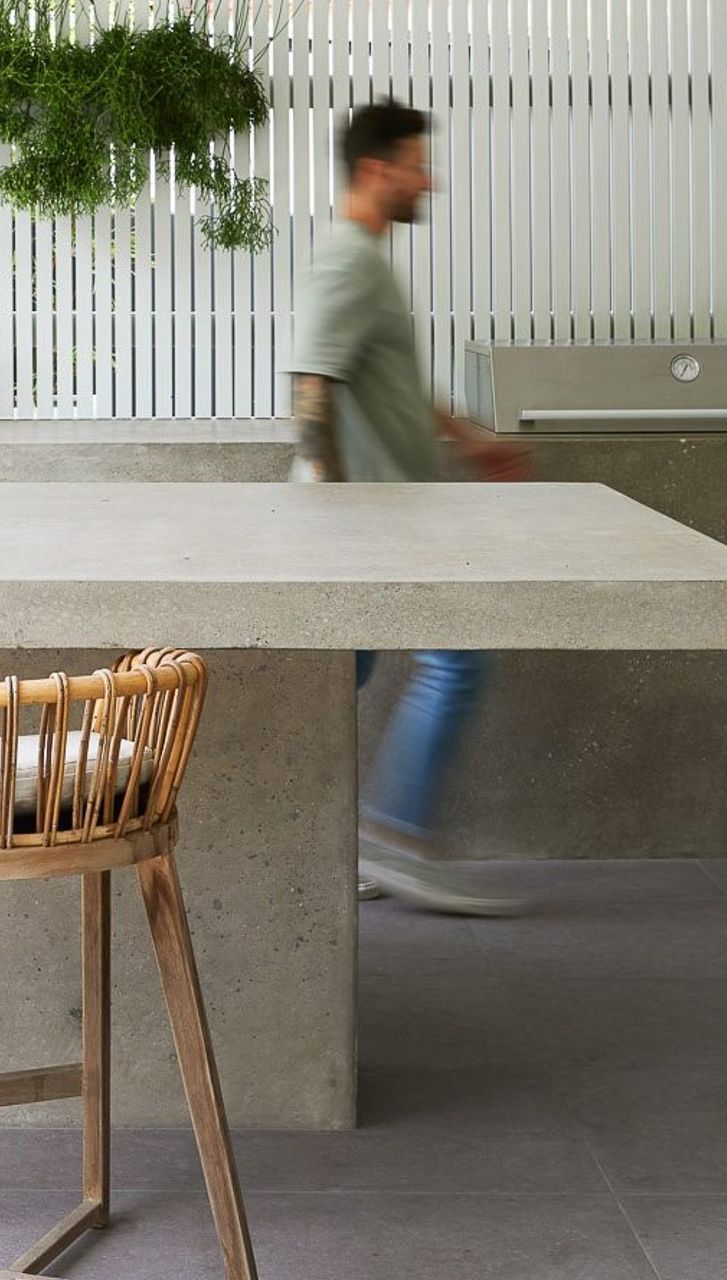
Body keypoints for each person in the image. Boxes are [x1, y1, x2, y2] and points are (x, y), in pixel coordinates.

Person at [287, 100, 531, 916]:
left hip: (382, 516)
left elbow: (388, 382)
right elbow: (311, 381)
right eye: (418, 164)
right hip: (374, 524)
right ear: (376, 170)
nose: (431, 179)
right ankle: (397, 839)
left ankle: (326, 847)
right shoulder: (350, 261)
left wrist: (469, 441)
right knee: (460, 659)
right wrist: (332, 508)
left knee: (339, 678)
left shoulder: (367, 261)